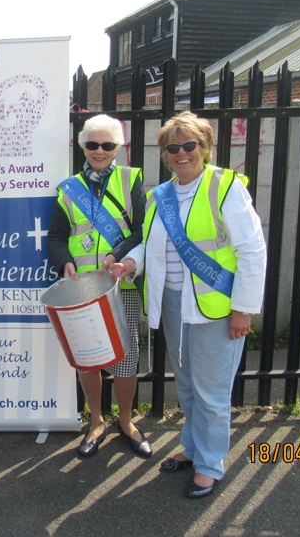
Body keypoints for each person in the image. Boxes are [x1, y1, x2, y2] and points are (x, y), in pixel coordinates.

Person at [113, 111, 266, 498]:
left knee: (212, 391)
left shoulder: (225, 187)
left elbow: (252, 251)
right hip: (173, 303)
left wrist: (243, 309)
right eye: (172, 148)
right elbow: (150, 244)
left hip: (217, 307)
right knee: (186, 385)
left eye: (188, 145)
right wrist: (131, 262)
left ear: (205, 147)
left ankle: (211, 465)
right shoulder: (160, 195)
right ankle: (193, 448)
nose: (181, 153)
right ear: (165, 154)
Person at [47, 114, 151, 459]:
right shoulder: (68, 189)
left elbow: (141, 230)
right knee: (88, 360)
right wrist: (64, 261)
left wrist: (118, 253)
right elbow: (58, 237)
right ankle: (96, 420)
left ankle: (126, 420)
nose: (100, 151)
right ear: (83, 147)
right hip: (82, 289)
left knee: (125, 358)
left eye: (108, 145)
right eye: (93, 145)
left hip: (120, 284)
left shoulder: (129, 180)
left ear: (118, 147)